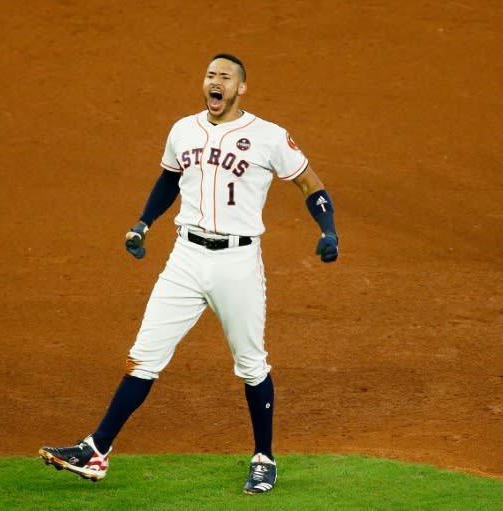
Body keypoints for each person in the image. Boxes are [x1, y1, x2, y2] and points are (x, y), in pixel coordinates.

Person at [39, 53, 339, 495]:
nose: (215, 83)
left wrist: (328, 231)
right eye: (210, 75)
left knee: (251, 363)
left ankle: (263, 457)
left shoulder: (268, 136)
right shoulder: (183, 130)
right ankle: (97, 449)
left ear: (240, 89)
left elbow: (311, 185)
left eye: (225, 78)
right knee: (143, 356)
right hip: (185, 257)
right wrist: (142, 224)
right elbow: (168, 181)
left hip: (237, 262)